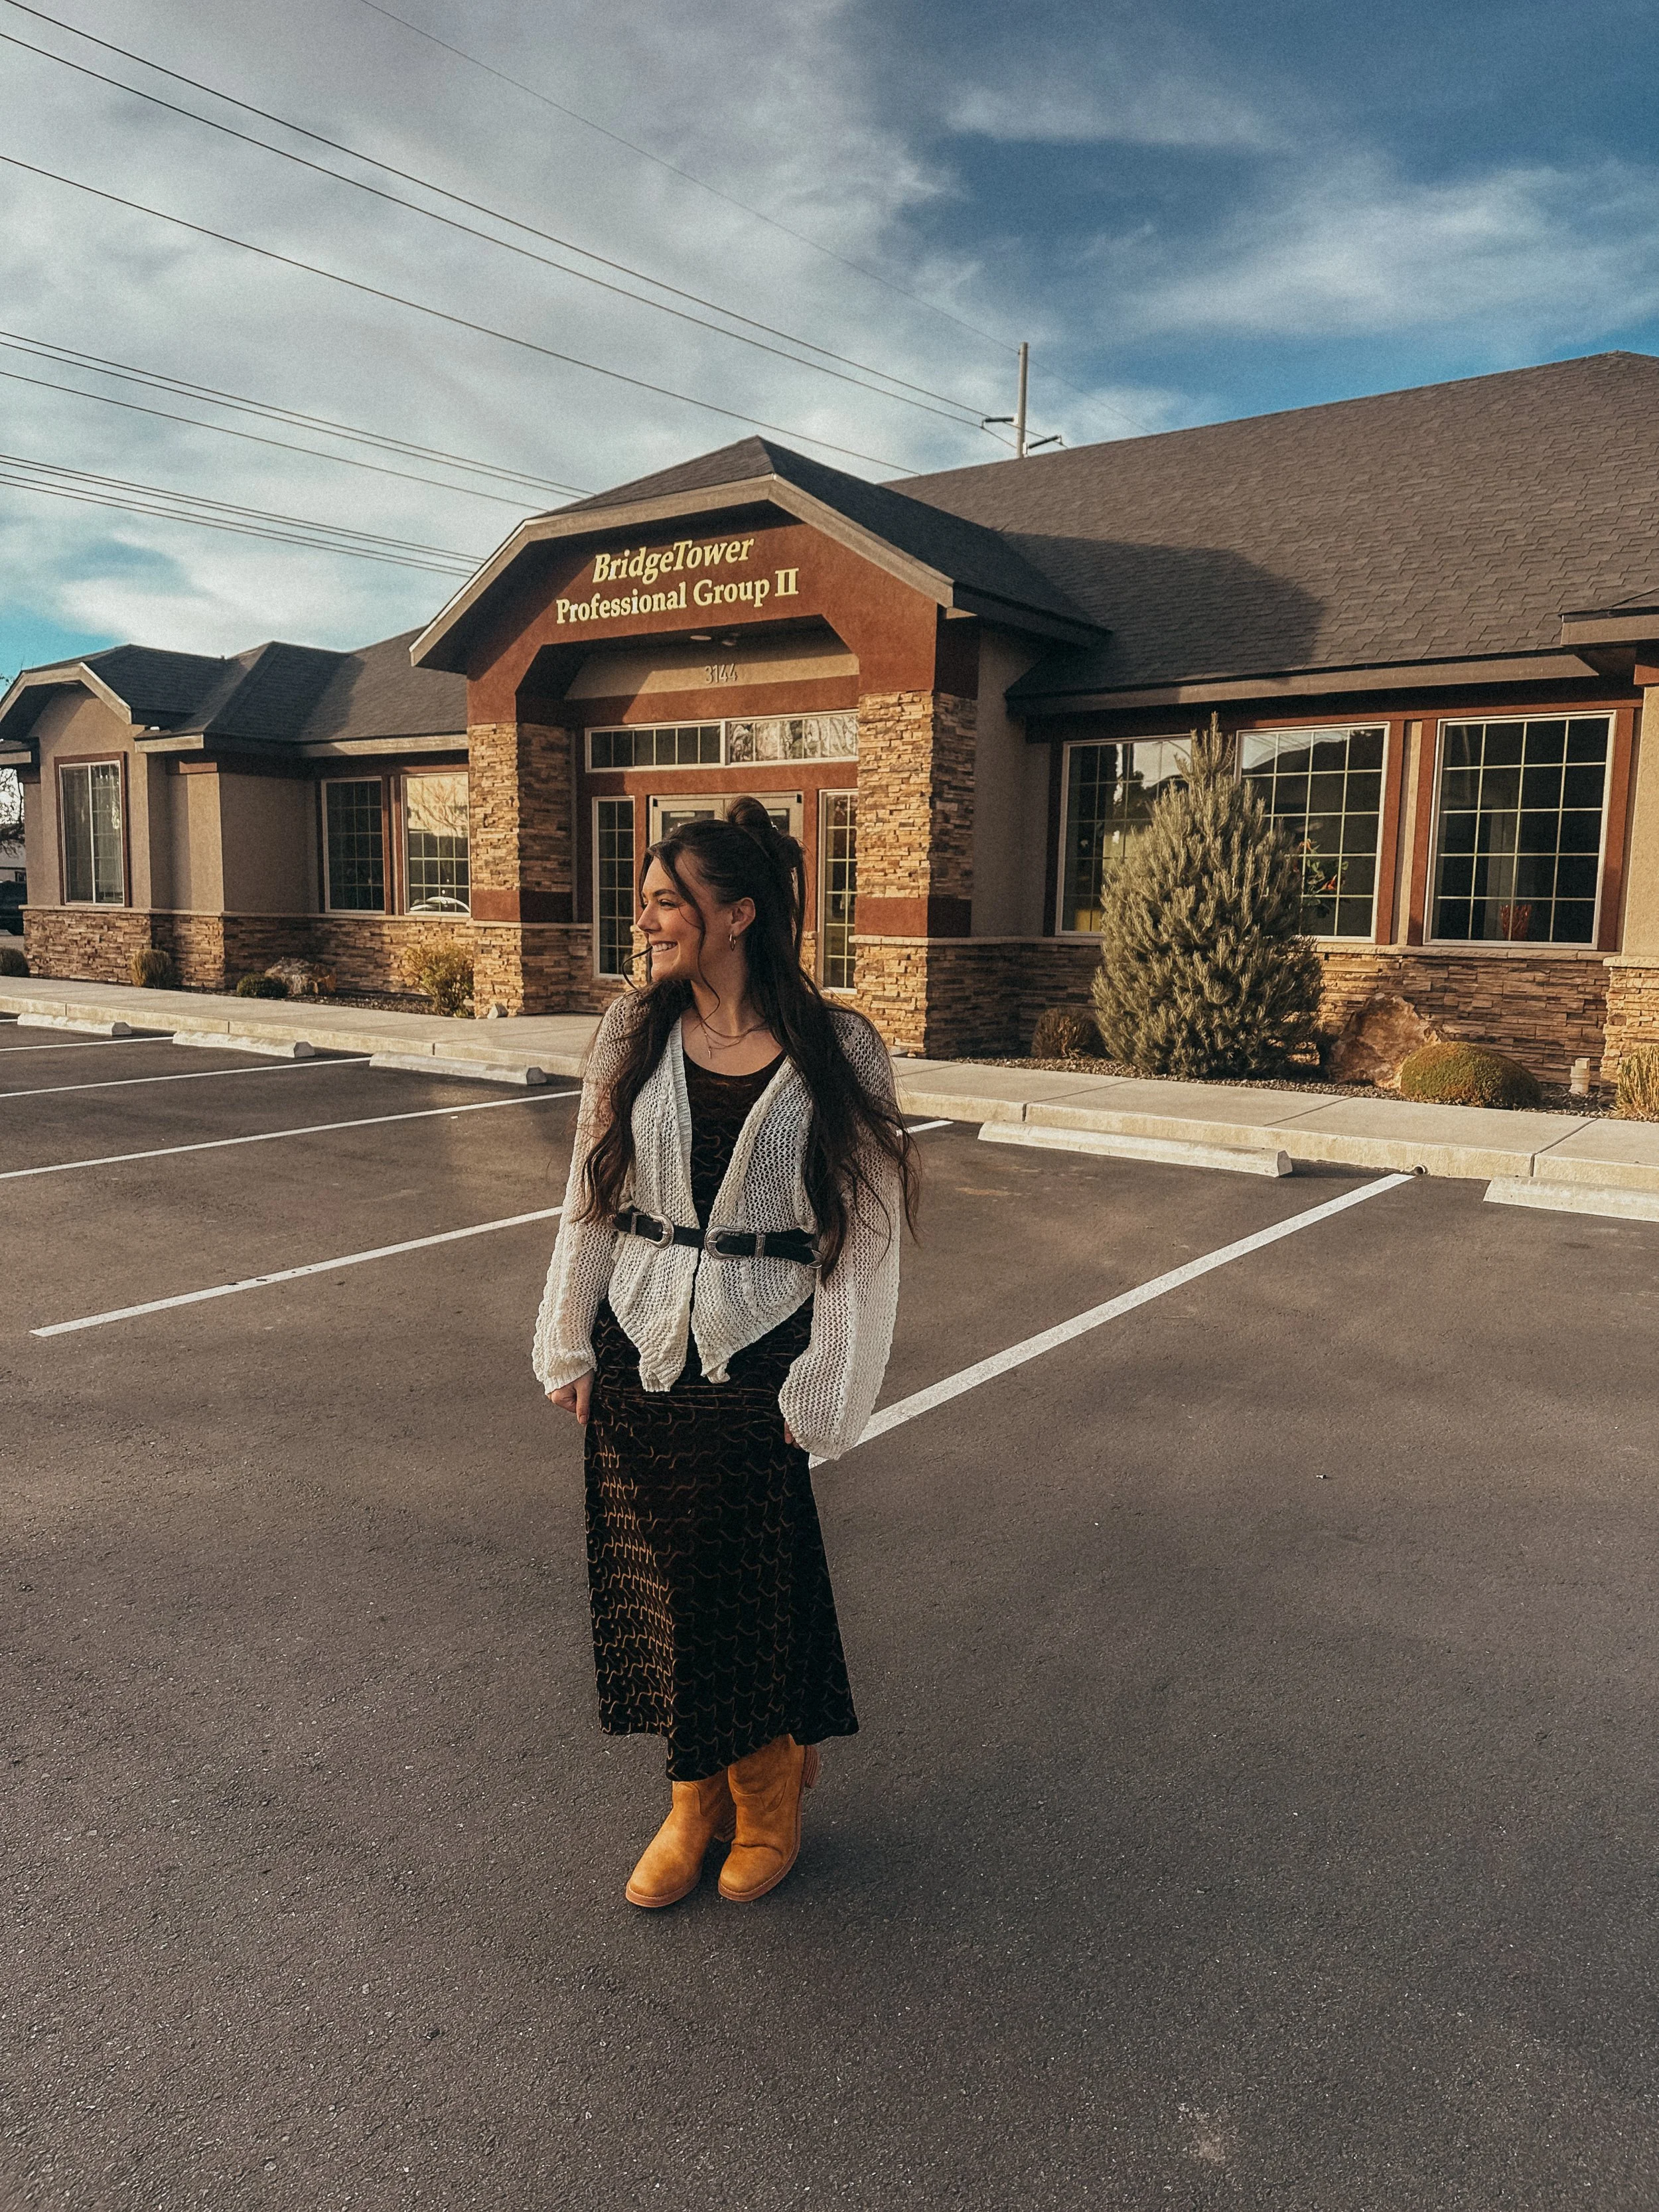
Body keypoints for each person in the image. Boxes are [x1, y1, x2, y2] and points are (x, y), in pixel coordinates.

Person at [534, 796, 918, 1908]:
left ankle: (767, 1794)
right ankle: (691, 1796)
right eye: (648, 901)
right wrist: (566, 1336)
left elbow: (866, 1230)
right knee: (654, 1582)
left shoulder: (837, 1045)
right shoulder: (631, 1029)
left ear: (738, 914)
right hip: (640, 1335)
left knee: (744, 1579)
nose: (647, 920)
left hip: (758, 1349)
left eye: (668, 903)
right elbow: (588, 1195)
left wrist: (831, 1376)